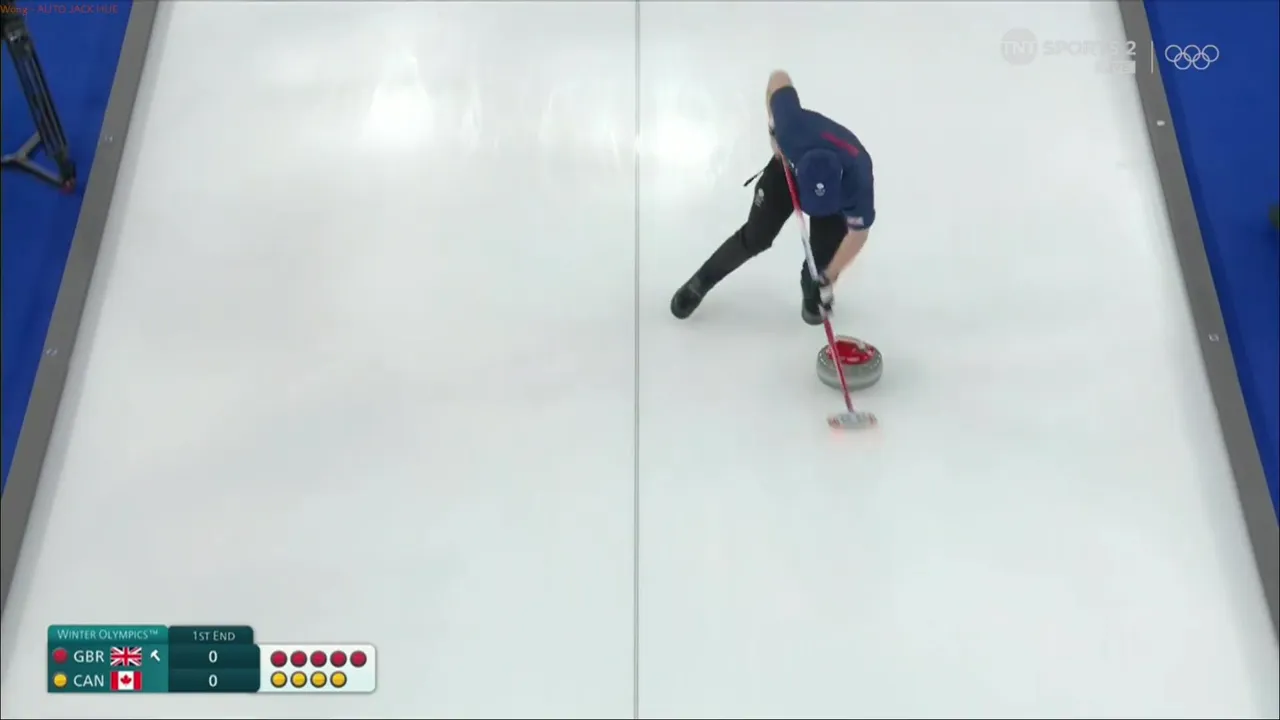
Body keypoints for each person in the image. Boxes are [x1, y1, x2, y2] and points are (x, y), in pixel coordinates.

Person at [670, 70, 876, 325]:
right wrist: (773, 131)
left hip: (835, 198)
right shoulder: (790, 128)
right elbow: (778, 78)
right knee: (755, 236)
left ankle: (813, 291)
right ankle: (700, 282)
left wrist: (830, 276)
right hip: (786, 170)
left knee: (822, 263)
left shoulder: (858, 178)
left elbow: (858, 234)